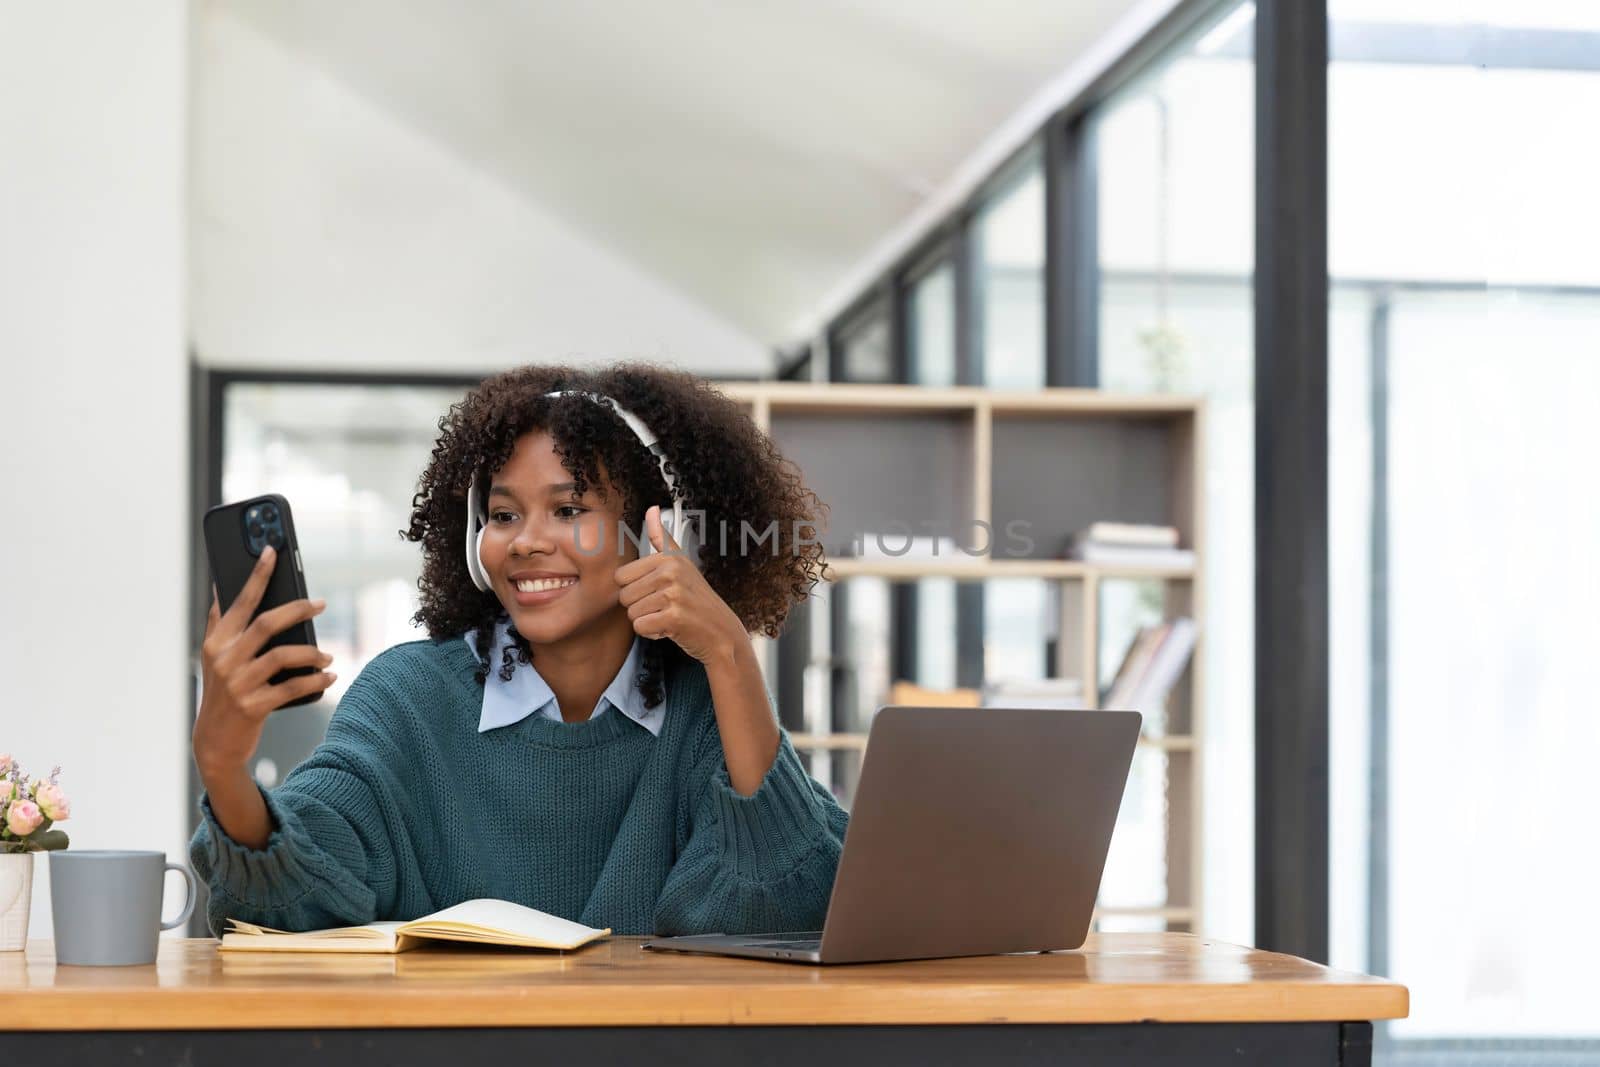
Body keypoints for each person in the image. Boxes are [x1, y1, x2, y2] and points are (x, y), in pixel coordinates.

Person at [189, 363, 845, 937]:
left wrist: (729, 649)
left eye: (568, 510)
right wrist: (222, 766)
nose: (528, 540)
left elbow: (789, 905)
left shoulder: (705, 705)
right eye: (503, 515)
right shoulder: (408, 698)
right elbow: (284, 899)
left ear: (657, 531)